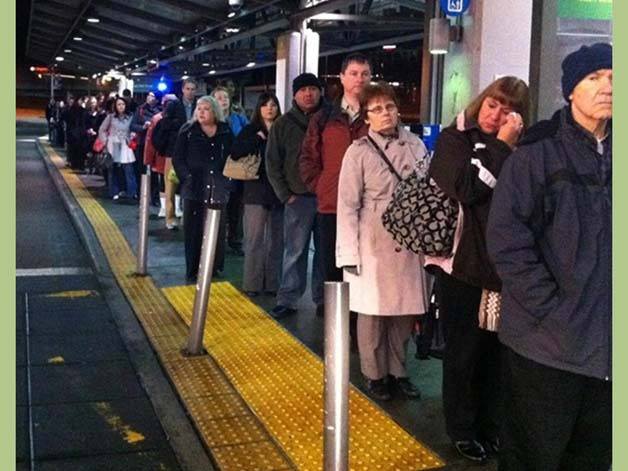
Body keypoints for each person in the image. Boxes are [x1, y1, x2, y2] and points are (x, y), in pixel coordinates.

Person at [487, 43, 612, 471]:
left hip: (608, 352)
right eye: (594, 77)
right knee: (534, 457)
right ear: (570, 91)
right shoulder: (536, 156)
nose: (607, 87)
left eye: (614, 77)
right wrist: (551, 310)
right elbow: (507, 242)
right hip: (544, 347)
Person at [428, 76, 529, 463]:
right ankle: (461, 429)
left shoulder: (527, 148)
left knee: (497, 357)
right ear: (481, 101)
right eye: (492, 105)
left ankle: (491, 426)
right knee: (463, 354)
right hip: (463, 268)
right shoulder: (455, 140)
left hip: (506, 272)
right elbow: (467, 188)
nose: (496, 115)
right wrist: (502, 145)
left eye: (508, 111)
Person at [336, 82, 428, 401]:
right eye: (376, 109)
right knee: (372, 314)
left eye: (389, 106)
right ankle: (374, 374)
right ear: (366, 117)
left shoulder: (416, 144)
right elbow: (347, 204)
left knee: (403, 315)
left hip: (410, 240)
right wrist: (348, 253)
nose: (385, 114)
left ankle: (398, 372)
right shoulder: (357, 152)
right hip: (372, 240)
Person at [300, 53, 371, 290]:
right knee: (331, 266)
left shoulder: (376, 116)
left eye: (364, 74)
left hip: (369, 207)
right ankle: (333, 320)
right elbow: (308, 157)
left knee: (365, 269)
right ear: (341, 78)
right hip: (331, 205)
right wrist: (320, 187)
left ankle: (358, 322)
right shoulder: (323, 117)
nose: (359, 79)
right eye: (353, 73)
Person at [266, 73, 326, 319]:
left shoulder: (330, 120)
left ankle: (324, 299)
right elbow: (272, 162)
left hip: (326, 199)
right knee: (295, 251)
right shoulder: (283, 124)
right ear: (294, 94)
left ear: (320, 92)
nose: (308, 94)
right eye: (303, 90)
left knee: (326, 252)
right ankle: (288, 298)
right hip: (297, 198)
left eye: (313, 89)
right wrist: (285, 195)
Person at [173, 96, 234, 283]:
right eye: (199, 108)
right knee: (193, 230)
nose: (201, 112)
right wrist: (187, 177)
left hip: (218, 188)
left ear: (214, 111)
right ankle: (192, 269)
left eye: (206, 108)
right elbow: (178, 158)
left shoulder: (225, 131)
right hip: (194, 188)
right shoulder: (188, 131)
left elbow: (232, 156)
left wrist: (228, 180)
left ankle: (214, 266)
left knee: (216, 229)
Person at [230, 92, 283, 297]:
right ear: (259, 108)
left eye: (273, 105)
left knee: (276, 241)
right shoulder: (251, 129)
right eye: (266, 105)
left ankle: (272, 284)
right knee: (254, 240)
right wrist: (255, 139)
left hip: (278, 192)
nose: (270, 108)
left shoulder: (282, 129)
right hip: (255, 190)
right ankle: (252, 284)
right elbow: (235, 152)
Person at [212, 85, 249, 256]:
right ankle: (216, 241)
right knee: (219, 208)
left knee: (236, 207)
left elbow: (248, 135)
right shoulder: (210, 120)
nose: (223, 101)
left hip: (236, 171)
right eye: (219, 98)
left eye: (225, 97)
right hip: (217, 172)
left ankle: (235, 240)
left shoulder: (239, 119)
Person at [152, 97, 188, 229]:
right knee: (177, 186)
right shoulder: (182, 118)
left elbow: (157, 138)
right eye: (188, 89)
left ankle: (174, 218)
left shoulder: (163, 122)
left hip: (179, 155)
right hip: (179, 155)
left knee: (175, 186)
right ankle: (176, 217)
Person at [144, 93, 179, 224]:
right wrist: (148, 160)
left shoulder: (160, 119)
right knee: (166, 183)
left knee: (171, 183)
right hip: (163, 158)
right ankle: (167, 210)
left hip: (167, 157)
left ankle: (172, 210)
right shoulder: (157, 119)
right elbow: (151, 141)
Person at [98, 96, 138, 200]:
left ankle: (132, 192)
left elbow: (134, 128)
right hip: (113, 144)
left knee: (128, 169)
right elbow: (102, 129)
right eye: (118, 104)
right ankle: (114, 191)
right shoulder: (111, 117)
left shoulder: (131, 117)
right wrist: (106, 141)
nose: (121, 106)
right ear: (115, 106)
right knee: (113, 169)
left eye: (123, 104)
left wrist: (133, 136)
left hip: (126, 144)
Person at [65, 95, 88, 170]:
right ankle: (78, 164)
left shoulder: (72, 110)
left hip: (75, 133)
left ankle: (75, 164)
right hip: (78, 133)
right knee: (78, 150)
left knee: (75, 150)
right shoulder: (81, 111)